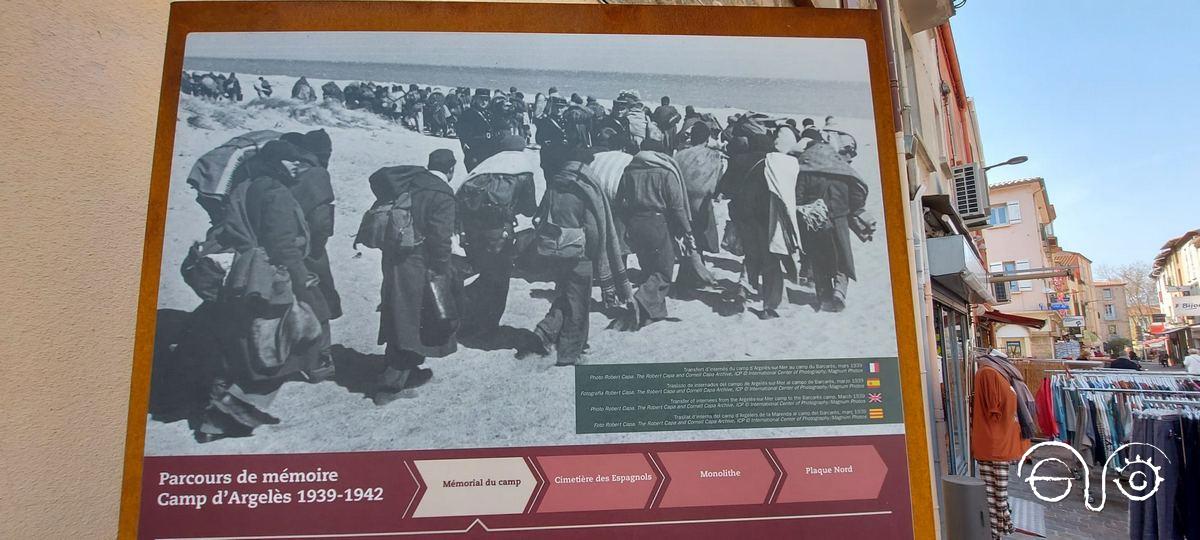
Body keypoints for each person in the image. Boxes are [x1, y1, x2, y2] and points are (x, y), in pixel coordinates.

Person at [190, 140, 326, 442]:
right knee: (279, 348)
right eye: (290, 161)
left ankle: (218, 412)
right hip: (270, 277)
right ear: (277, 162)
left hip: (242, 274)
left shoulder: (244, 186)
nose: (296, 166)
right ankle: (224, 416)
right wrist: (303, 278)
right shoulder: (276, 194)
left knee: (246, 344)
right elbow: (282, 245)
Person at [524, 146, 632, 365]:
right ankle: (570, 352)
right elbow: (593, 228)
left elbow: (542, 214)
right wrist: (595, 253)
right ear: (585, 164)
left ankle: (545, 332)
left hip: (554, 249)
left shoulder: (556, 183)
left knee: (565, 294)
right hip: (579, 253)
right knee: (579, 305)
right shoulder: (586, 189)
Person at [370, 150, 462, 405]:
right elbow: (441, 239)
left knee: (398, 314)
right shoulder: (442, 193)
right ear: (451, 169)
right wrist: (442, 269)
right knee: (413, 321)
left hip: (393, 258)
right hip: (419, 264)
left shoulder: (411, 182)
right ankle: (389, 386)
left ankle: (404, 369)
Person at [456, 135, 538, 338]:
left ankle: (467, 316)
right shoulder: (522, 169)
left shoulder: (485, 166)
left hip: (472, 230)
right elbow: (529, 209)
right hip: (499, 233)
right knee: (499, 279)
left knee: (484, 272)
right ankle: (487, 325)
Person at [717, 134, 802, 319]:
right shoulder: (776, 163)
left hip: (742, 215)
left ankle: (743, 289)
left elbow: (724, 188)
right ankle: (769, 307)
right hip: (766, 216)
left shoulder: (739, 160)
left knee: (751, 253)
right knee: (770, 259)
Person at [278, 130, 340, 381]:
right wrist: (316, 247)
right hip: (306, 249)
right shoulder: (316, 174)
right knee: (318, 300)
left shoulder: (285, 169)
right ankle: (319, 361)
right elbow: (321, 221)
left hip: (276, 246)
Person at [614, 140, 694, 328]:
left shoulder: (628, 172)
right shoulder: (665, 173)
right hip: (657, 222)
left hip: (635, 223)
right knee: (664, 270)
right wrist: (686, 229)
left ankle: (652, 312)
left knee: (648, 267)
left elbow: (620, 202)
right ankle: (640, 300)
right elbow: (677, 206)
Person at [794, 139, 870, 313]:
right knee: (842, 256)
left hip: (814, 221)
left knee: (818, 257)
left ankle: (824, 296)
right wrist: (852, 209)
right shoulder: (842, 170)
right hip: (840, 219)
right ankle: (840, 290)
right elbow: (858, 194)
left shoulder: (805, 171)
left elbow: (798, 198)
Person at [971, 350, 1033, 540]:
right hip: (994, 442)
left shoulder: (999, 372)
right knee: (996, 491)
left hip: (999, 440)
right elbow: (994, 408)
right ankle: (998, 528)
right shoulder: (989, 373)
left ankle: (1000, 528)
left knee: (997, 491)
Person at [672, 123, 725, 290]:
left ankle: (690, 276)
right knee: (698, 239)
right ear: (707, 138)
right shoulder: (714, 156)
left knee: (687, 238)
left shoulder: (679, 155)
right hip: (701, 204)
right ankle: (694, 277)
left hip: (681, 203)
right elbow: (717, 183)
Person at [456, 89, 497, 172]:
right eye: (481, 99)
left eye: (486, 100)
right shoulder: (468, 114)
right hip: (474, 153)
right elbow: (462, 133)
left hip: (489, 153)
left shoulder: (490, 114)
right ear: (475, 99)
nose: (484, 102)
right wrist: (467, 151)